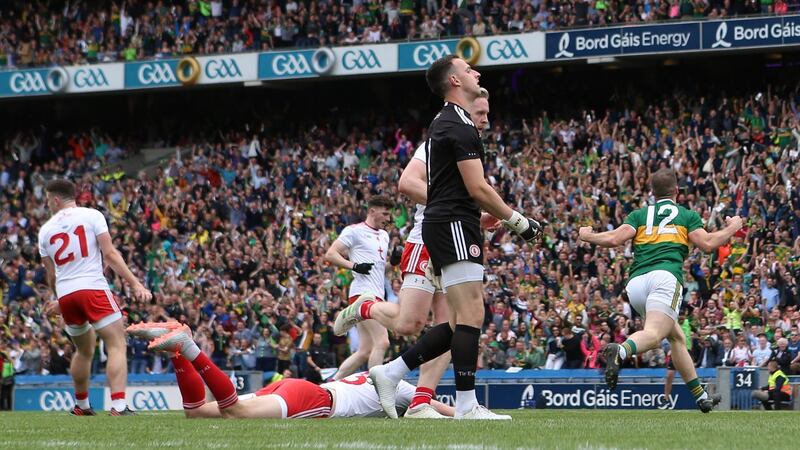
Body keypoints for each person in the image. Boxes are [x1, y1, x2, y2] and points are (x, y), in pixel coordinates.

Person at [368, 54, 542, 420]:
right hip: (452, 224)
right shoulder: (456, 126)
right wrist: (518, 221)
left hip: (452, 222)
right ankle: (465, 405)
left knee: (460, 319)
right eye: (467, 69)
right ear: (455, 82)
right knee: (471, 314)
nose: (475, 72)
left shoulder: (452, 123)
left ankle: (394, 371)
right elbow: (478, 187)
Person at [332, 89, 495, 419]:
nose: (486, 121)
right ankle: (364, 306)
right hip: (427, 238)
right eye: (480, 114)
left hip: (457, 239)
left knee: (454, 324)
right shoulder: (435, 144)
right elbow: (407, 182)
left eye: (488, 114)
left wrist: (478, 221)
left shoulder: (472, 150)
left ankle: (421, 400)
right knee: (409, 323)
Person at [579, 168, 742, 413]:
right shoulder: (686, 215)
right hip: (665, 278)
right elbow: (708, 244)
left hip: (635, 285)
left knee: (676, 336)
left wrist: (588, 235)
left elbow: (614, 239)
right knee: (654, 335)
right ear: (677, 191)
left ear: (652, 194)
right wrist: (733, 227)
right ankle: (620, 350)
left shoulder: (640, 214)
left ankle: (700, 398)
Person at [128, 322, 454, 419]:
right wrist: (465, 411)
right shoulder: (404, 390)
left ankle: (177, 353)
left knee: (197, 414)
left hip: (298, 387)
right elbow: (441, 411)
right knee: (236, 412)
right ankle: (189, 348)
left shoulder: (380, 375)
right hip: (314, 400)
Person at [38, 179, 153, 415]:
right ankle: (119, 405)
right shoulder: (92, 216)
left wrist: (58, 300)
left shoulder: (45, 231)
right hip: (92, 288)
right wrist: (135, 283)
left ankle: (81, 405)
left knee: (84, 351)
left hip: (68, 295)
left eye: (48, 200)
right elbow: (109, 253)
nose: (47, 204)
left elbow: (51, 276)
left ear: (56, 200)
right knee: (116, 344)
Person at [325, 195, 394, 379]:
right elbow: (330, 254)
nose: (388, 219)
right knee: (383, 342)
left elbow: (378, 270)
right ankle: (375, 387)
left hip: (377, 295)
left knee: (365, 350)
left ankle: (332, 383)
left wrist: (392, 264)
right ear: (372, 211)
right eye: (385, 214)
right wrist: (353, 266)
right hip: (363, 295)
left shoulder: (385, 236)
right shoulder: (354, 231)